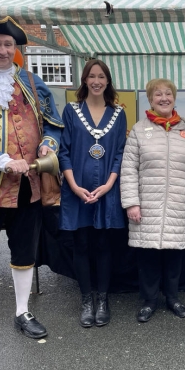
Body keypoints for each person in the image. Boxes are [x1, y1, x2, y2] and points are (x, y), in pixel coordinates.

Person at [0, 16, 63, 361]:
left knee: (25, 253)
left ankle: (22, 312)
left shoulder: (32, 82)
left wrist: (48, 146)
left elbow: (54, 126)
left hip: (28, 186)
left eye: (8, 45)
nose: (2, 50)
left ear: (16, 51)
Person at [121, 78, 185, 323]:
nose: (163, 98)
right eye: (157, 94)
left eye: (168, 94)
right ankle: (149, 301)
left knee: (174, 255)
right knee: (147, 256)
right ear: (150, 99)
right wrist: (131, 202)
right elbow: (128, 169)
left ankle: (172, 298)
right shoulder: (139, 129)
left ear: (174, 97)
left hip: (179, 203)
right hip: (147, 204)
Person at [59, 59, 127, 328]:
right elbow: (63, 151)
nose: (97, 81)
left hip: (106, 190)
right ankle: (86, 300)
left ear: (108, 81)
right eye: (92, 76)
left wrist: (110, 184)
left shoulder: (118, 113)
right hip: (77, 190)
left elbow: (120, 152)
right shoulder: (71, 111)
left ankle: (103, 299)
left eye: (101, 76)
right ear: (84, 80)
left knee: (103, 245)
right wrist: (74, 186)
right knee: (82, 245)